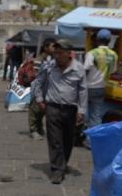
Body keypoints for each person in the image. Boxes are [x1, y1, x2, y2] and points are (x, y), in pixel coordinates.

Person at [31, 39, 87, 184]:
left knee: (68, 140)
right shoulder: (49, 66)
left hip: (71, 109)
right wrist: (39, 99)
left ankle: (63, 163)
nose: (57, 56)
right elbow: (38, 82)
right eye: (55, 53)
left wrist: (81, 110)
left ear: (69, 54)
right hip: (53, 108)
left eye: (60, 53)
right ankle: (57, 169)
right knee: (55, 139)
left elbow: (82, 90)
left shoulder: (79, 68)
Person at [83, 29, 118, 132]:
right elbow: (113, 71)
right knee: (96, 116)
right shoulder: (114, 55)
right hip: (101, 88)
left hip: (88, 87)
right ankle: (92, 140)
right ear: (109, 40)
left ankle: (82, 135)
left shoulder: (92, 53)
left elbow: (85, 70)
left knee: (83, 113)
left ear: (97, 39)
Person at [26, 39, 56, 140]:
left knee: (41, 111)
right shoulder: (39, 60)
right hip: (38, 89)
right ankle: (33, 130)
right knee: (34, 111)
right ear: (46, 47)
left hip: (46, 90)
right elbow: (36, 76)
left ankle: (39, 129)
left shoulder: (51, 59)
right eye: (52, 46)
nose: (54, 48)